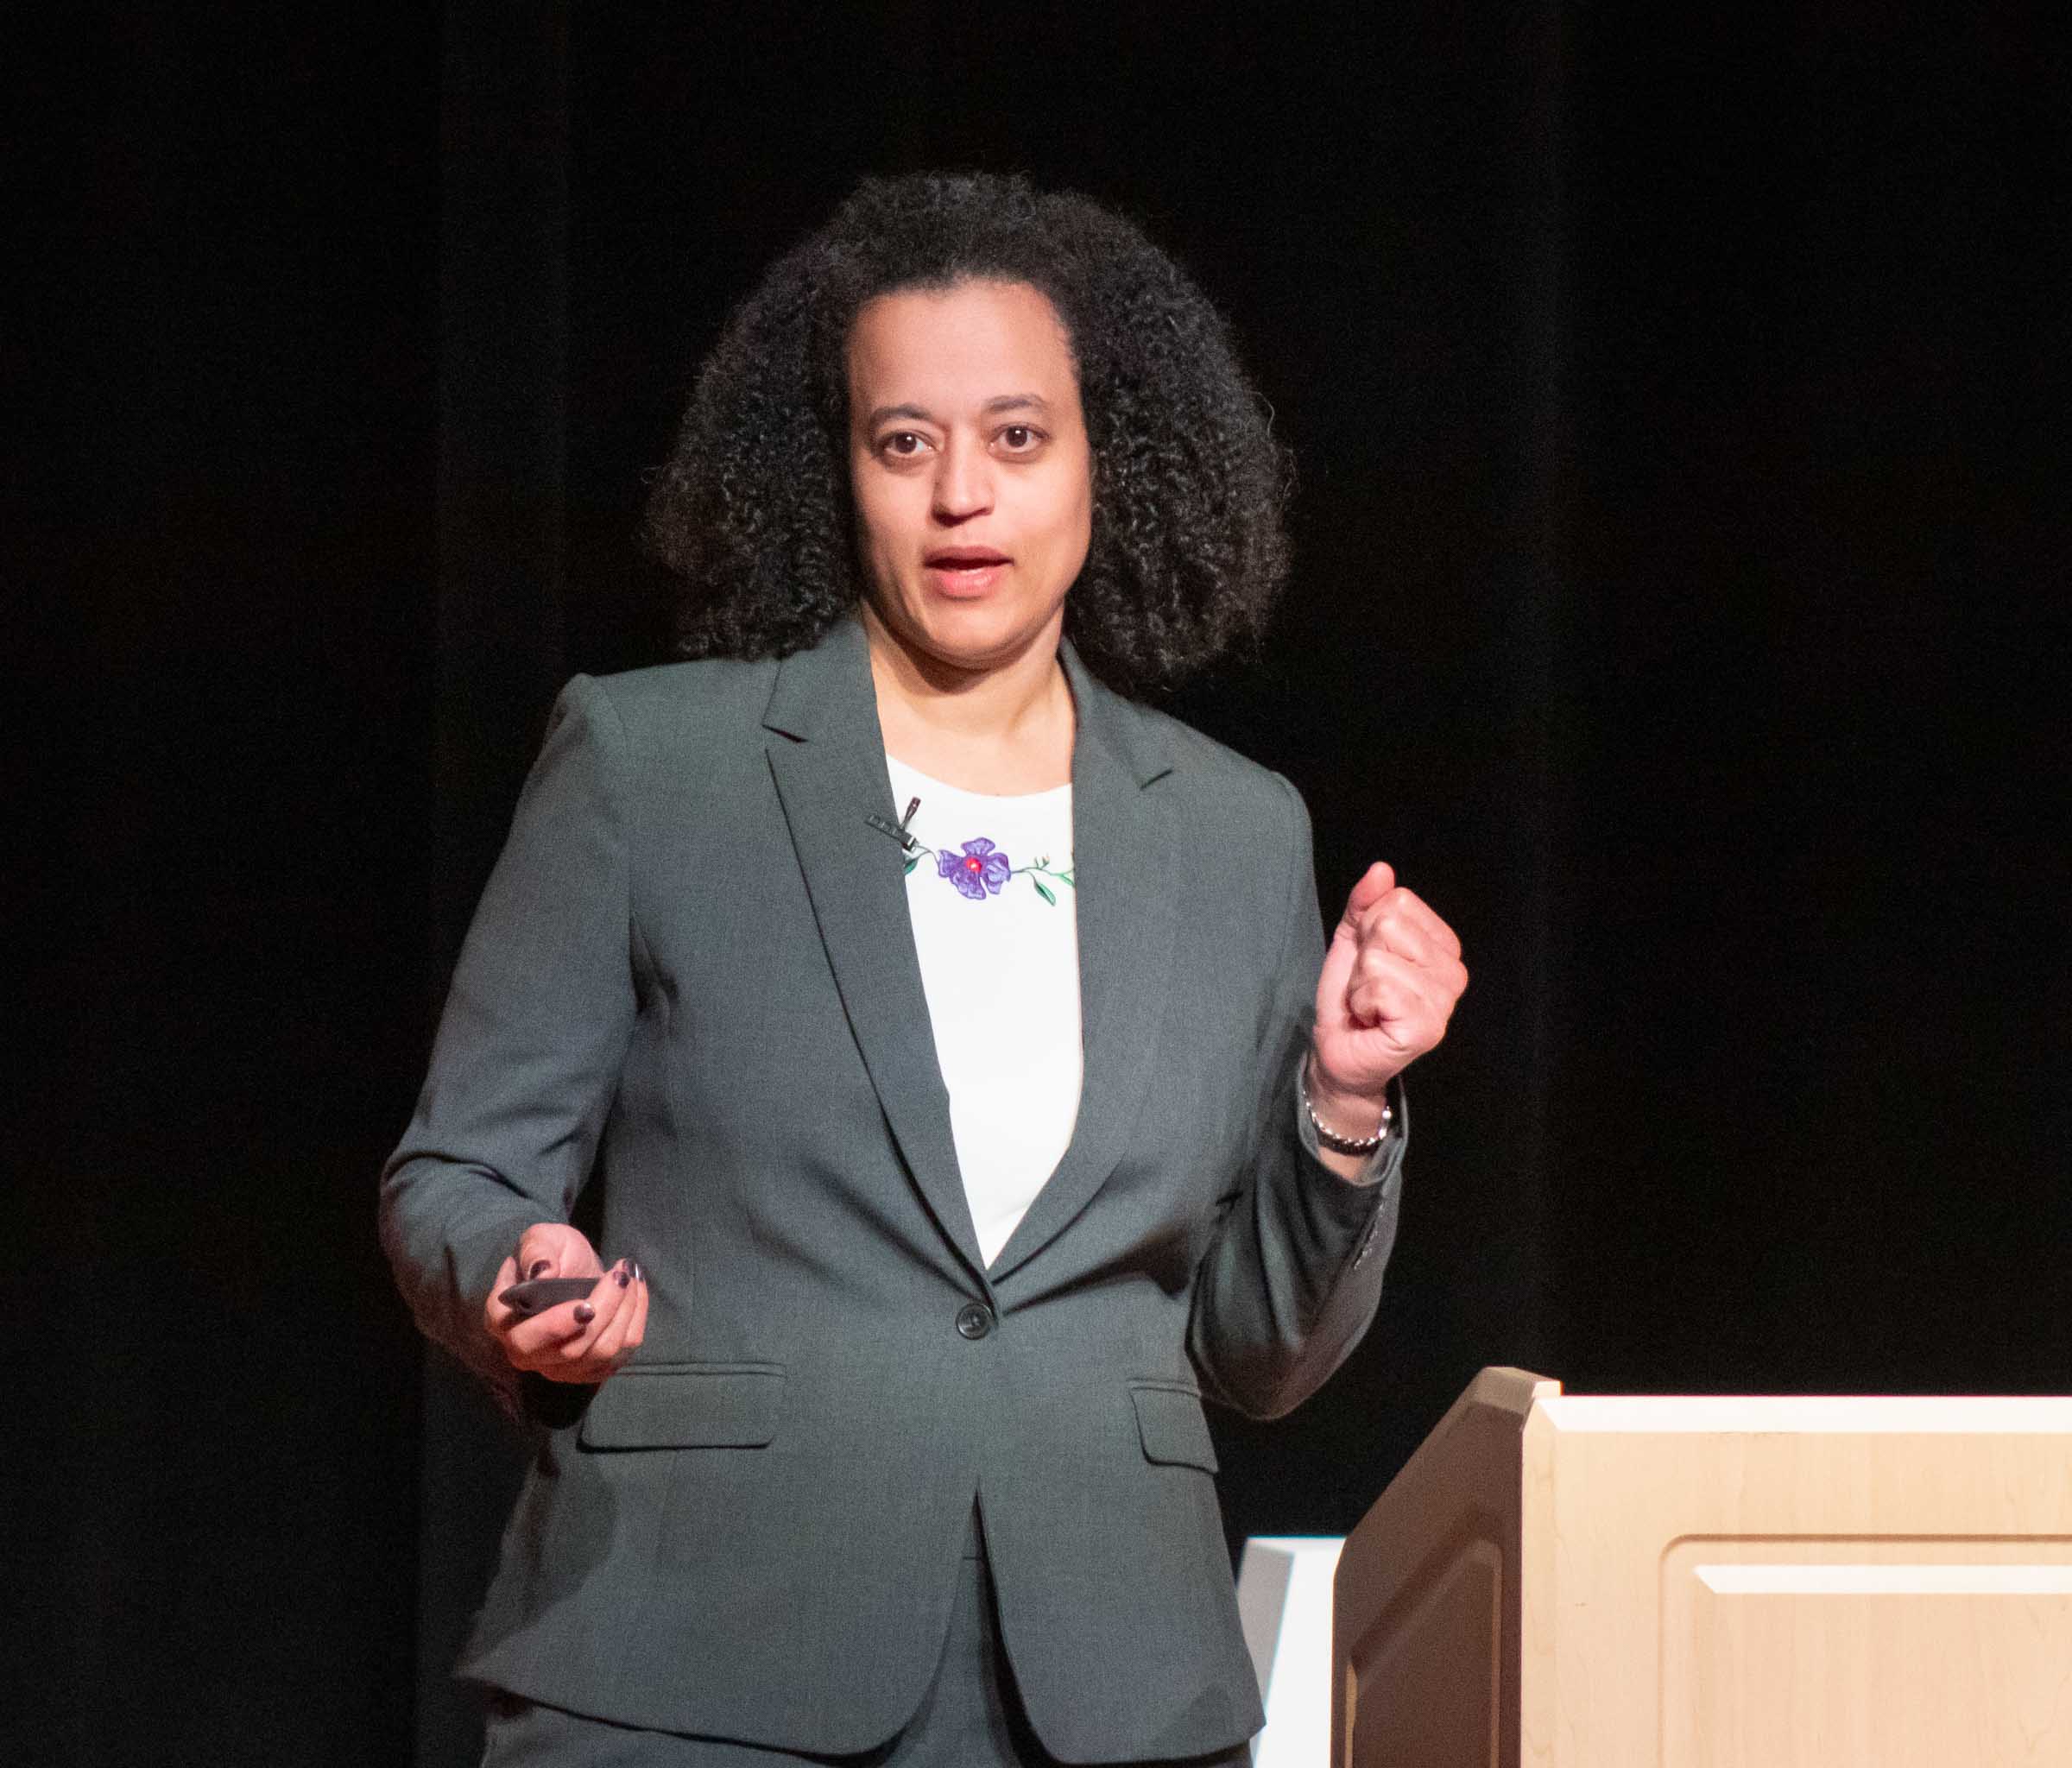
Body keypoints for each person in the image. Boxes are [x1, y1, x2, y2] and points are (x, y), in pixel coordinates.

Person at [381, 171, 1467, 1766]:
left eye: (1019, 436)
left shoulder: (1237, 829)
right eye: (907, 441)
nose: (964, 492)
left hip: (1111, 1691)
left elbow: (1258, 1352)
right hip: (695, 1667)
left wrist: (1343, 1103)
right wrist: (513, 1272)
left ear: (1111, 463)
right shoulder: (652, 762)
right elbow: (460, 1168)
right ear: (844, 474)